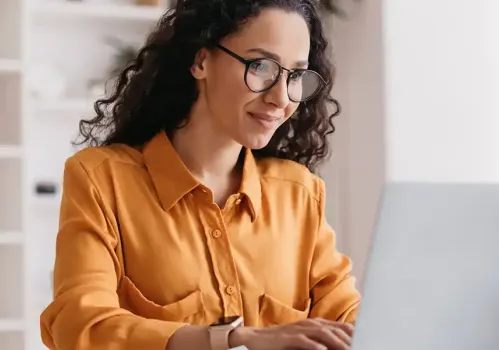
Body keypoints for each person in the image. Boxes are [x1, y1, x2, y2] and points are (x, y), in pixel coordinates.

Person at [39, 0, 361, 349]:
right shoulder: (101, 180)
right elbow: (80, 325)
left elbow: (348, 319)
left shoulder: (299, 192)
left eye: (295, 75)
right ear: (201, 61)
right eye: (261, 67)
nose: (280, 98)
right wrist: (232, 339)